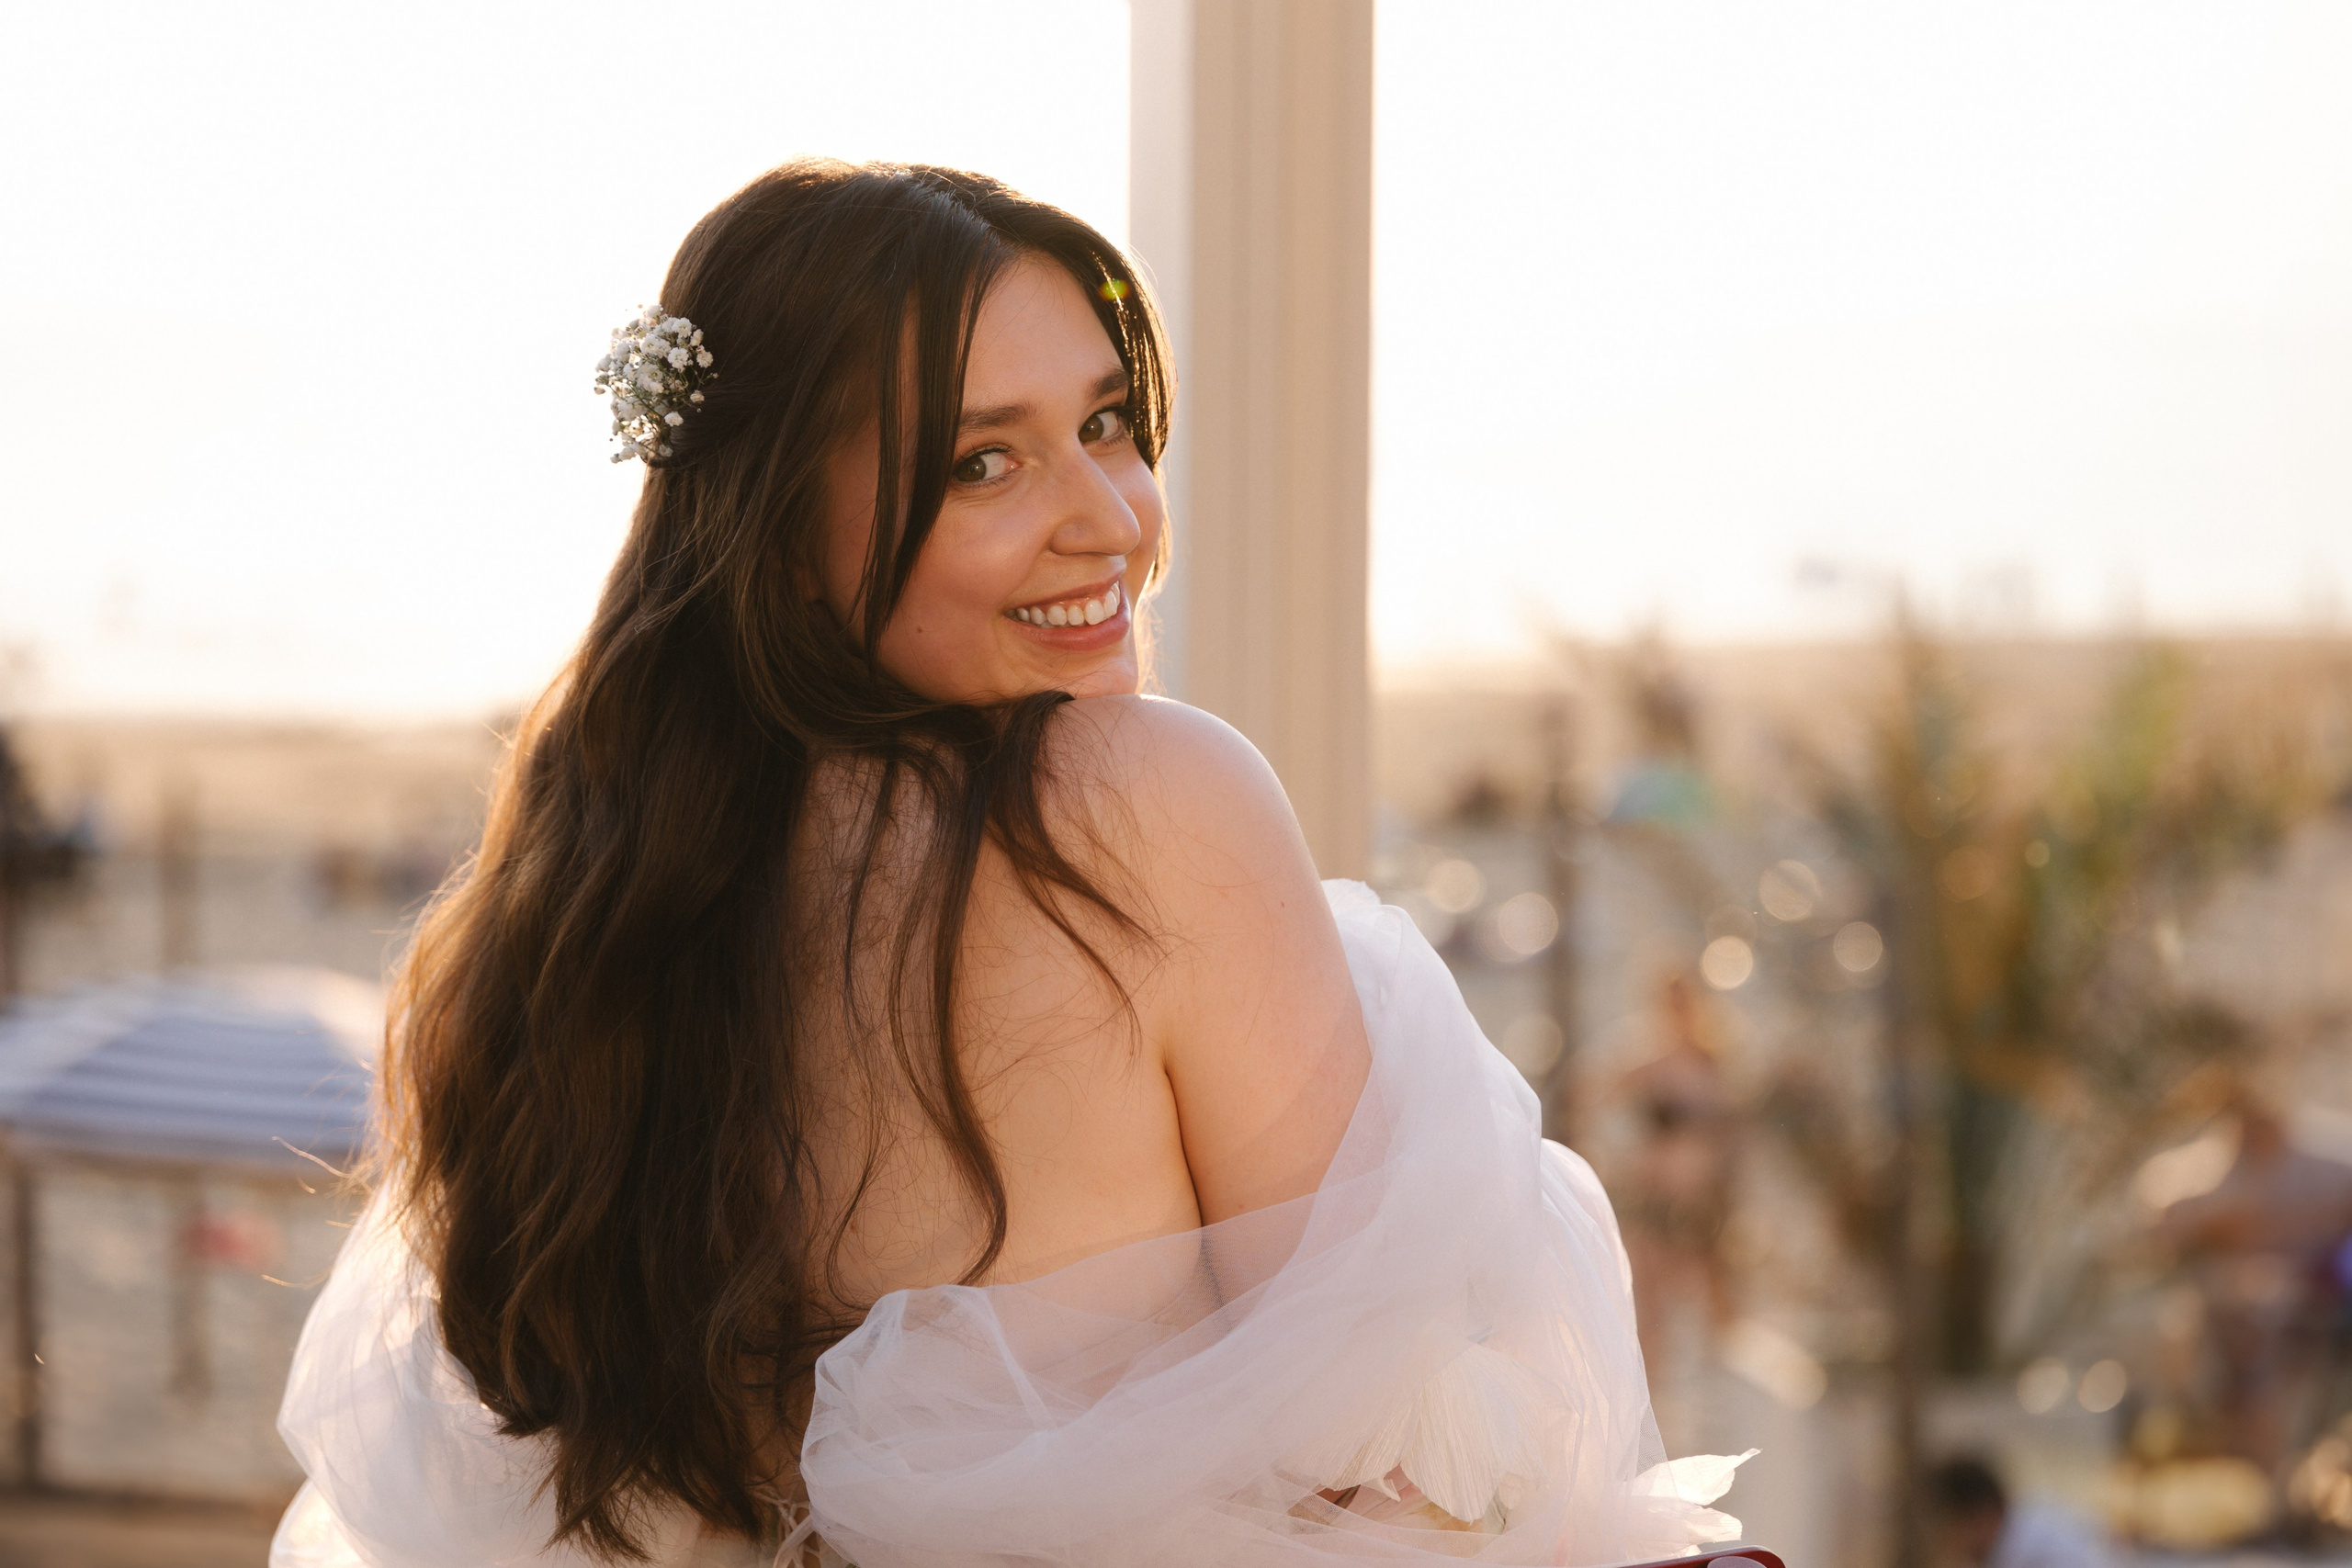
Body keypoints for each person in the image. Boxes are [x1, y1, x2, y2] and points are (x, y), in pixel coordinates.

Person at [269, 159, 1751, 1568]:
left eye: (1108, 424)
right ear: (782, 527)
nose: (1111, 521)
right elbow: (1396, 1454)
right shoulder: (1131, 805)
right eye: (986, 461)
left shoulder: (579, 903)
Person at [1929, 1457, 2109, 1568]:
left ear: (1981, 1516)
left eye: (1949, 1526)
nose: (1946, 1541)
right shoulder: (1996, 1551)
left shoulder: (2048, 1546)